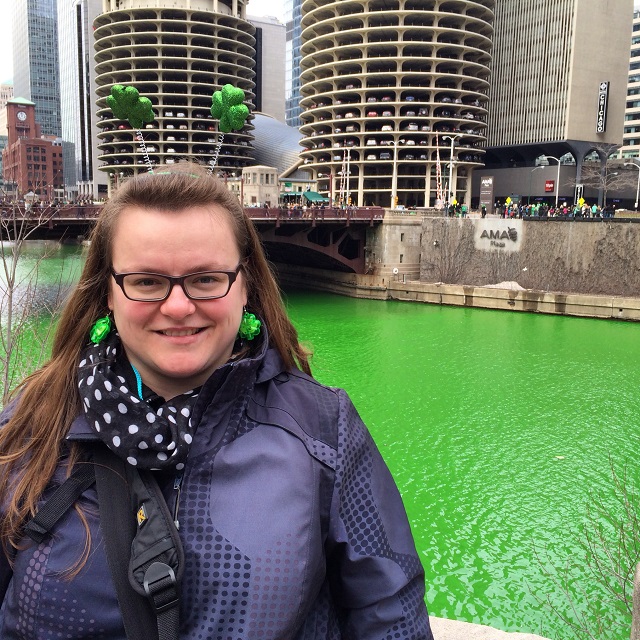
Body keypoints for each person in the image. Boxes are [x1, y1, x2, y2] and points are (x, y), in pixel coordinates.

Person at [0, 162, 433, 639]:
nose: (179, 307)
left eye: (206, 278)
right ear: (108, 292)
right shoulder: (27, 429)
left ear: (244, 285)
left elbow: (390, 617)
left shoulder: (324, 432)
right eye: (146, 281)